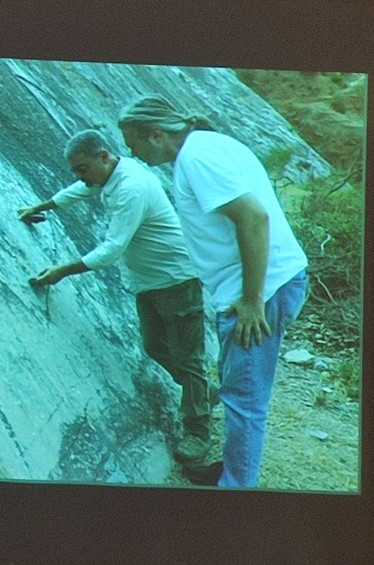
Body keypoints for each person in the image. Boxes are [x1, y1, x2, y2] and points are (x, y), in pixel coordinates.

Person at [118, 96, 309, 487]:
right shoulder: (205, 147)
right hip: (259, 284)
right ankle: (233, 469)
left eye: (132, 142)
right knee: (237, 387)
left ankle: (235, 492)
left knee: (244, 401)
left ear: (156, 134)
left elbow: (253, 217)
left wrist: (253, 300)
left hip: (262, 289)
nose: (129, 151)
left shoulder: (197, 158)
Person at [18, 129, 215, 464]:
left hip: (176, 279)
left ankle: (198, 432)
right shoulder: (107, 177)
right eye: (75, 170)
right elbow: (81, 189)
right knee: (154, 346)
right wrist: (41, 206)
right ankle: (201, 395)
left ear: (103, 156)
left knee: (188, 356)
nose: (81, 175)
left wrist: (59, 273)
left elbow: (111, 249)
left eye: (83, 167)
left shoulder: (131, 187)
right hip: (148, 279)